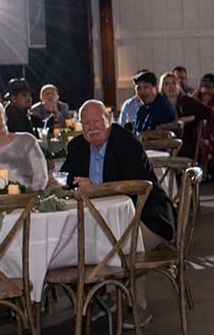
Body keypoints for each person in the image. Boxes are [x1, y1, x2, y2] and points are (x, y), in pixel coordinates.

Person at [59, 99, 175, 241]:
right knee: (72, 240)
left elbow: (136, 187)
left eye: (97, 121)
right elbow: (67, 178)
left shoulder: (127, 143)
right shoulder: (77, 146)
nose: (92, 128)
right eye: (87, 123)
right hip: (96, 220)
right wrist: (59, 183)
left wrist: (96, 188)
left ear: (109, 119)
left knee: (98, 242)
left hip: (141, 220)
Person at [162, 71, 210, 160]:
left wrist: (190, 118)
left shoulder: (186, 101)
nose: (171, 87)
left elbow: (209, 112)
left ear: (178, 86)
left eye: (174, 83)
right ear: (162, 88)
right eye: (167, 84)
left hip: (186, 141)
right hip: (165, 142)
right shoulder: (160, 104)